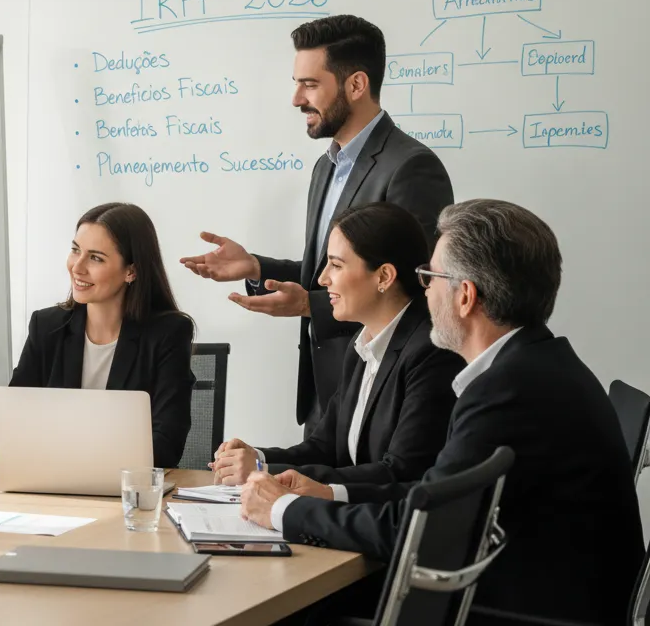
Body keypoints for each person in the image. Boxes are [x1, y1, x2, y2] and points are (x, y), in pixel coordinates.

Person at [239, 199, 643, 624]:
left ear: (465, 296)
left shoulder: (509, 390)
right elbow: (432, 495)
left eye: (430, 278)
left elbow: (425, 530)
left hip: (527, 611)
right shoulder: (535, 364)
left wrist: (286, 510)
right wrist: (329, 494)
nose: (424, 291)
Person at [180, 15, 453, 432]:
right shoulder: (325, 168)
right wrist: (257, 267)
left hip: (384, 393)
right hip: (326, 398)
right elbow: (331, 273)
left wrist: (310, 305)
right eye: (296, 83)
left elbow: (415, 288)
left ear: (356, 85)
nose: (296, 99)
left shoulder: (411, 168)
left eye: (309, 84)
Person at [210, 202, 460, 487]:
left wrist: (263, 471)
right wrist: (257, 457)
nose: (322, 278)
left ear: (384, 276)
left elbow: (400, 473)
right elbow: (324, 448)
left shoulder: (431, 352)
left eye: (336, 265)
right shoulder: (361, 344)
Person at [0, 203, 194, 468]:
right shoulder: (46, 327)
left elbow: (166, 446)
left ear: (131, 271)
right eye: (76, 250)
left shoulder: (169, 333)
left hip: (125, 488)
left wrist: (62, 451)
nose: (77, 267)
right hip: (51, 482)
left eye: (96, 258)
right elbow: (3, 432)